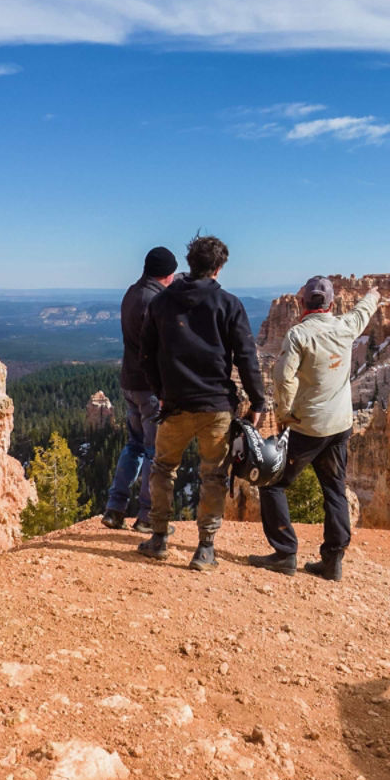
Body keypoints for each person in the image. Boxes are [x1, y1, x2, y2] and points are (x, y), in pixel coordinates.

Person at [137, 234, 268, 571]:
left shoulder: (162, 303)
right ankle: (205, 548)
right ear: (218, 268)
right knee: (214, 476)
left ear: (189, 263)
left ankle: (159, 538)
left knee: (163, 469)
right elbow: (246, 358)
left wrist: (160, 390)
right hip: (216, 407)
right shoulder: (229, 304)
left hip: (175, 405)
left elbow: (146, 354)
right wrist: (258, 401)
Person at [247, 276, 379, 581]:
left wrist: (284, 412)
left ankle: (284, 553)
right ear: (331, 304)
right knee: (334, 489)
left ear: (302, 304)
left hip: (307, 427)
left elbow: (282, 377)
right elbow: (363, 311)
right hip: (340, 425)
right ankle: (332, 560)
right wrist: (372, 294)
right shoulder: (345, 326)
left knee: (273, 482)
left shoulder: (297, 335)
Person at [101, 246, 178, 533]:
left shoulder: (132, 293)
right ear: (168, 275)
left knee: (133, 445)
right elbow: (163, 347)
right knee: (153, 451)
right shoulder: (156, 301)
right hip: (150, 387)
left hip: (128, 381)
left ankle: (115, 508)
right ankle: (146, 515)